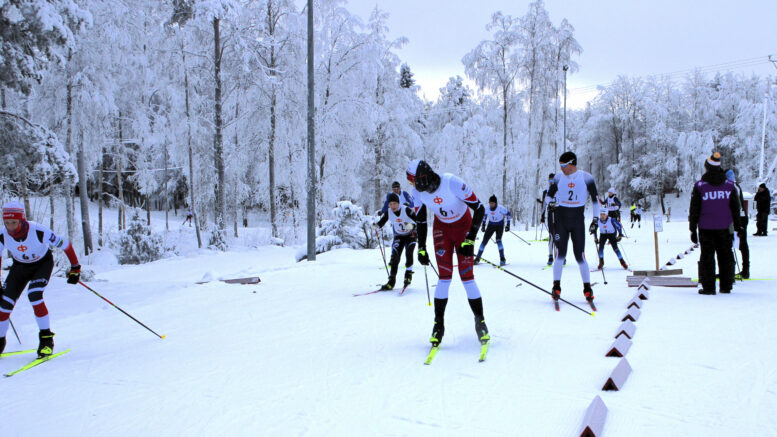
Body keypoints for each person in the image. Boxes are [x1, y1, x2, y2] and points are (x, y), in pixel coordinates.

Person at [406, 159, 489, 347]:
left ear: (420, 179)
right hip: (442, 229)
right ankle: (438, 325)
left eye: (412, 181)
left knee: (467, 276)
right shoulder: (418, 193)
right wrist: (421, 247)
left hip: (463, 226)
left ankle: (480, 321)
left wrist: (470, 238)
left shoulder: (451, 182)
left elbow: (480, 208)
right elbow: (420, 220)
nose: (411, 185)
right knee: (444, 277)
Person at [0, 201, 81, 357]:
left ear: (22, 219)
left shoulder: (37, 230)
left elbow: (66, 244)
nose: (10, 227)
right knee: (4, 304)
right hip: (20, 267)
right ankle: (0, 341)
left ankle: (46, 339)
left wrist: (75, 268)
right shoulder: (3, 235)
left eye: (14, 222)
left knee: (35, 295)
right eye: (7, 222)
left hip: (41, 265)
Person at [544, 151, 600, 305]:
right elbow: (548, 197)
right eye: (560, 165)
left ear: (572, 164)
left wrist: (595, 220)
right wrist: (551, 203)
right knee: (560, 255)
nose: (561, 168)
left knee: (580, 256)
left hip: (577, 221)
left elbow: (596, 201)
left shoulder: (587, 177)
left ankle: (587, 289)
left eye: (563, 165)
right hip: (561, 220)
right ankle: (556, 287)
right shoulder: (558, 177)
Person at [688, 152, 742, 295]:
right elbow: (735, 208)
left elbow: (694, 208)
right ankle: (726, 285)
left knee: (707, 258)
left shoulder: (700, 186)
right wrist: (738, 227)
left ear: (706, 168)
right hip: (724, 227)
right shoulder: (729, 186)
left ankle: (709, 287)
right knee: (725, 256)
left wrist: (692, 228)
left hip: (705, 228)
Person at [374, 192, 418, 290]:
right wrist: (376, 226)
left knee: (409, 253)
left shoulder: (406, 209)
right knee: (394, 258)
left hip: (410, 235)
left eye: (394, 203)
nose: (393, 206)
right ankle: (391, 281)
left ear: (398, 203)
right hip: (399, 236)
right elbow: (382, 222)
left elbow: (418, 220)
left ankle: (408, 275)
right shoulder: (389, 212)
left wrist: (412, 226)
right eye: (390, 204)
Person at [474, 195, 511, 266]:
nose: (491, 205)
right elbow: (485, 216)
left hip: (499, 225)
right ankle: (477, 258)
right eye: (490, 203)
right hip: (491, 225)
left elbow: (508, 214)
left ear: (496, 203)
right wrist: (483, 225)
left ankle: (502, 259)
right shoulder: (487, 208)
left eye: (493, 203)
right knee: (484, 241)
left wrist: (508, 225)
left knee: (498, 240)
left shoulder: (500, 208)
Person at [726, 169, 750, 279]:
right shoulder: (736, 185)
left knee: (737, 244)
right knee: (741, 245)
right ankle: (744, 270)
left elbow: (735, 205)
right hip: (741, 217)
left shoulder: (732, 187)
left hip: (737, 219)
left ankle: (735, 271)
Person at [539, 173, 557, 266]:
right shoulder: (546, 191)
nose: (551, 182)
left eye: (552, 180)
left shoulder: (559, 189)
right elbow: (544, 205)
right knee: (551, 235)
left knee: (559, 236)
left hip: (559, 214)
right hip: (550, 214)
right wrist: (542, 215)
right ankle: (550, 256)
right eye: (549, 180)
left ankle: (560, 256)